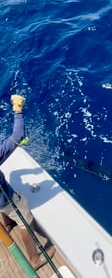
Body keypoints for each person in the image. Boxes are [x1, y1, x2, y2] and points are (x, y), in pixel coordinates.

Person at [0, 94, 55, 270]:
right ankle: (34, 259)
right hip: (6, 199)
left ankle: (8, 223)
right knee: (25, 219)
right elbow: (18, 134)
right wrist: (17, 109)